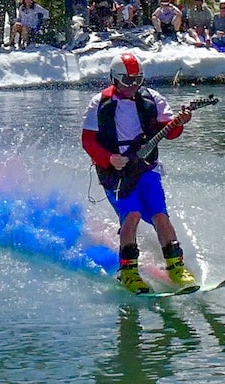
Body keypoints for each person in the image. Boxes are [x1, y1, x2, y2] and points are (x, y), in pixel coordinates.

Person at [81, 53, 196, 294]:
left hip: (146, 167)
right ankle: (128, 271)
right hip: (116, 172)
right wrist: (109, 158)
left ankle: (176, 266)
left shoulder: (152, 99)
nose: (132, 86)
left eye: (137, 80)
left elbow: (170, 132)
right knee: (131, 214)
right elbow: (88, 141)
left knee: (160, 214)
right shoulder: (99, 103)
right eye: (127, 80)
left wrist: (180, 123)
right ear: (114, 79)